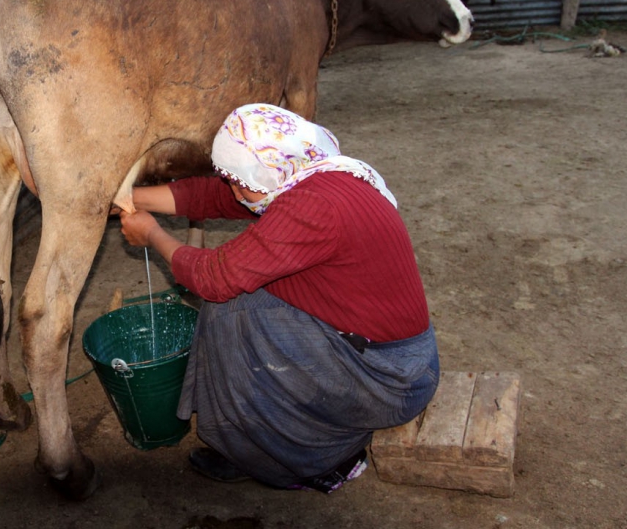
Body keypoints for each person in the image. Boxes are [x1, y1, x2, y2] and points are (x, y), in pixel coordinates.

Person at [118, 103, 439, 493]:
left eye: (240, 180)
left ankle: (314, 458)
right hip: (383, 352)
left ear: (269, 168)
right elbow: (215, 197)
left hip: (389, 378)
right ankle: (260, 437)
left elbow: (212, 277)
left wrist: (152, 233)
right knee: (238, 307)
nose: (235, 190)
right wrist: (125, 196)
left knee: (230, 311)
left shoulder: (313, 207)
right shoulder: (312, 172)